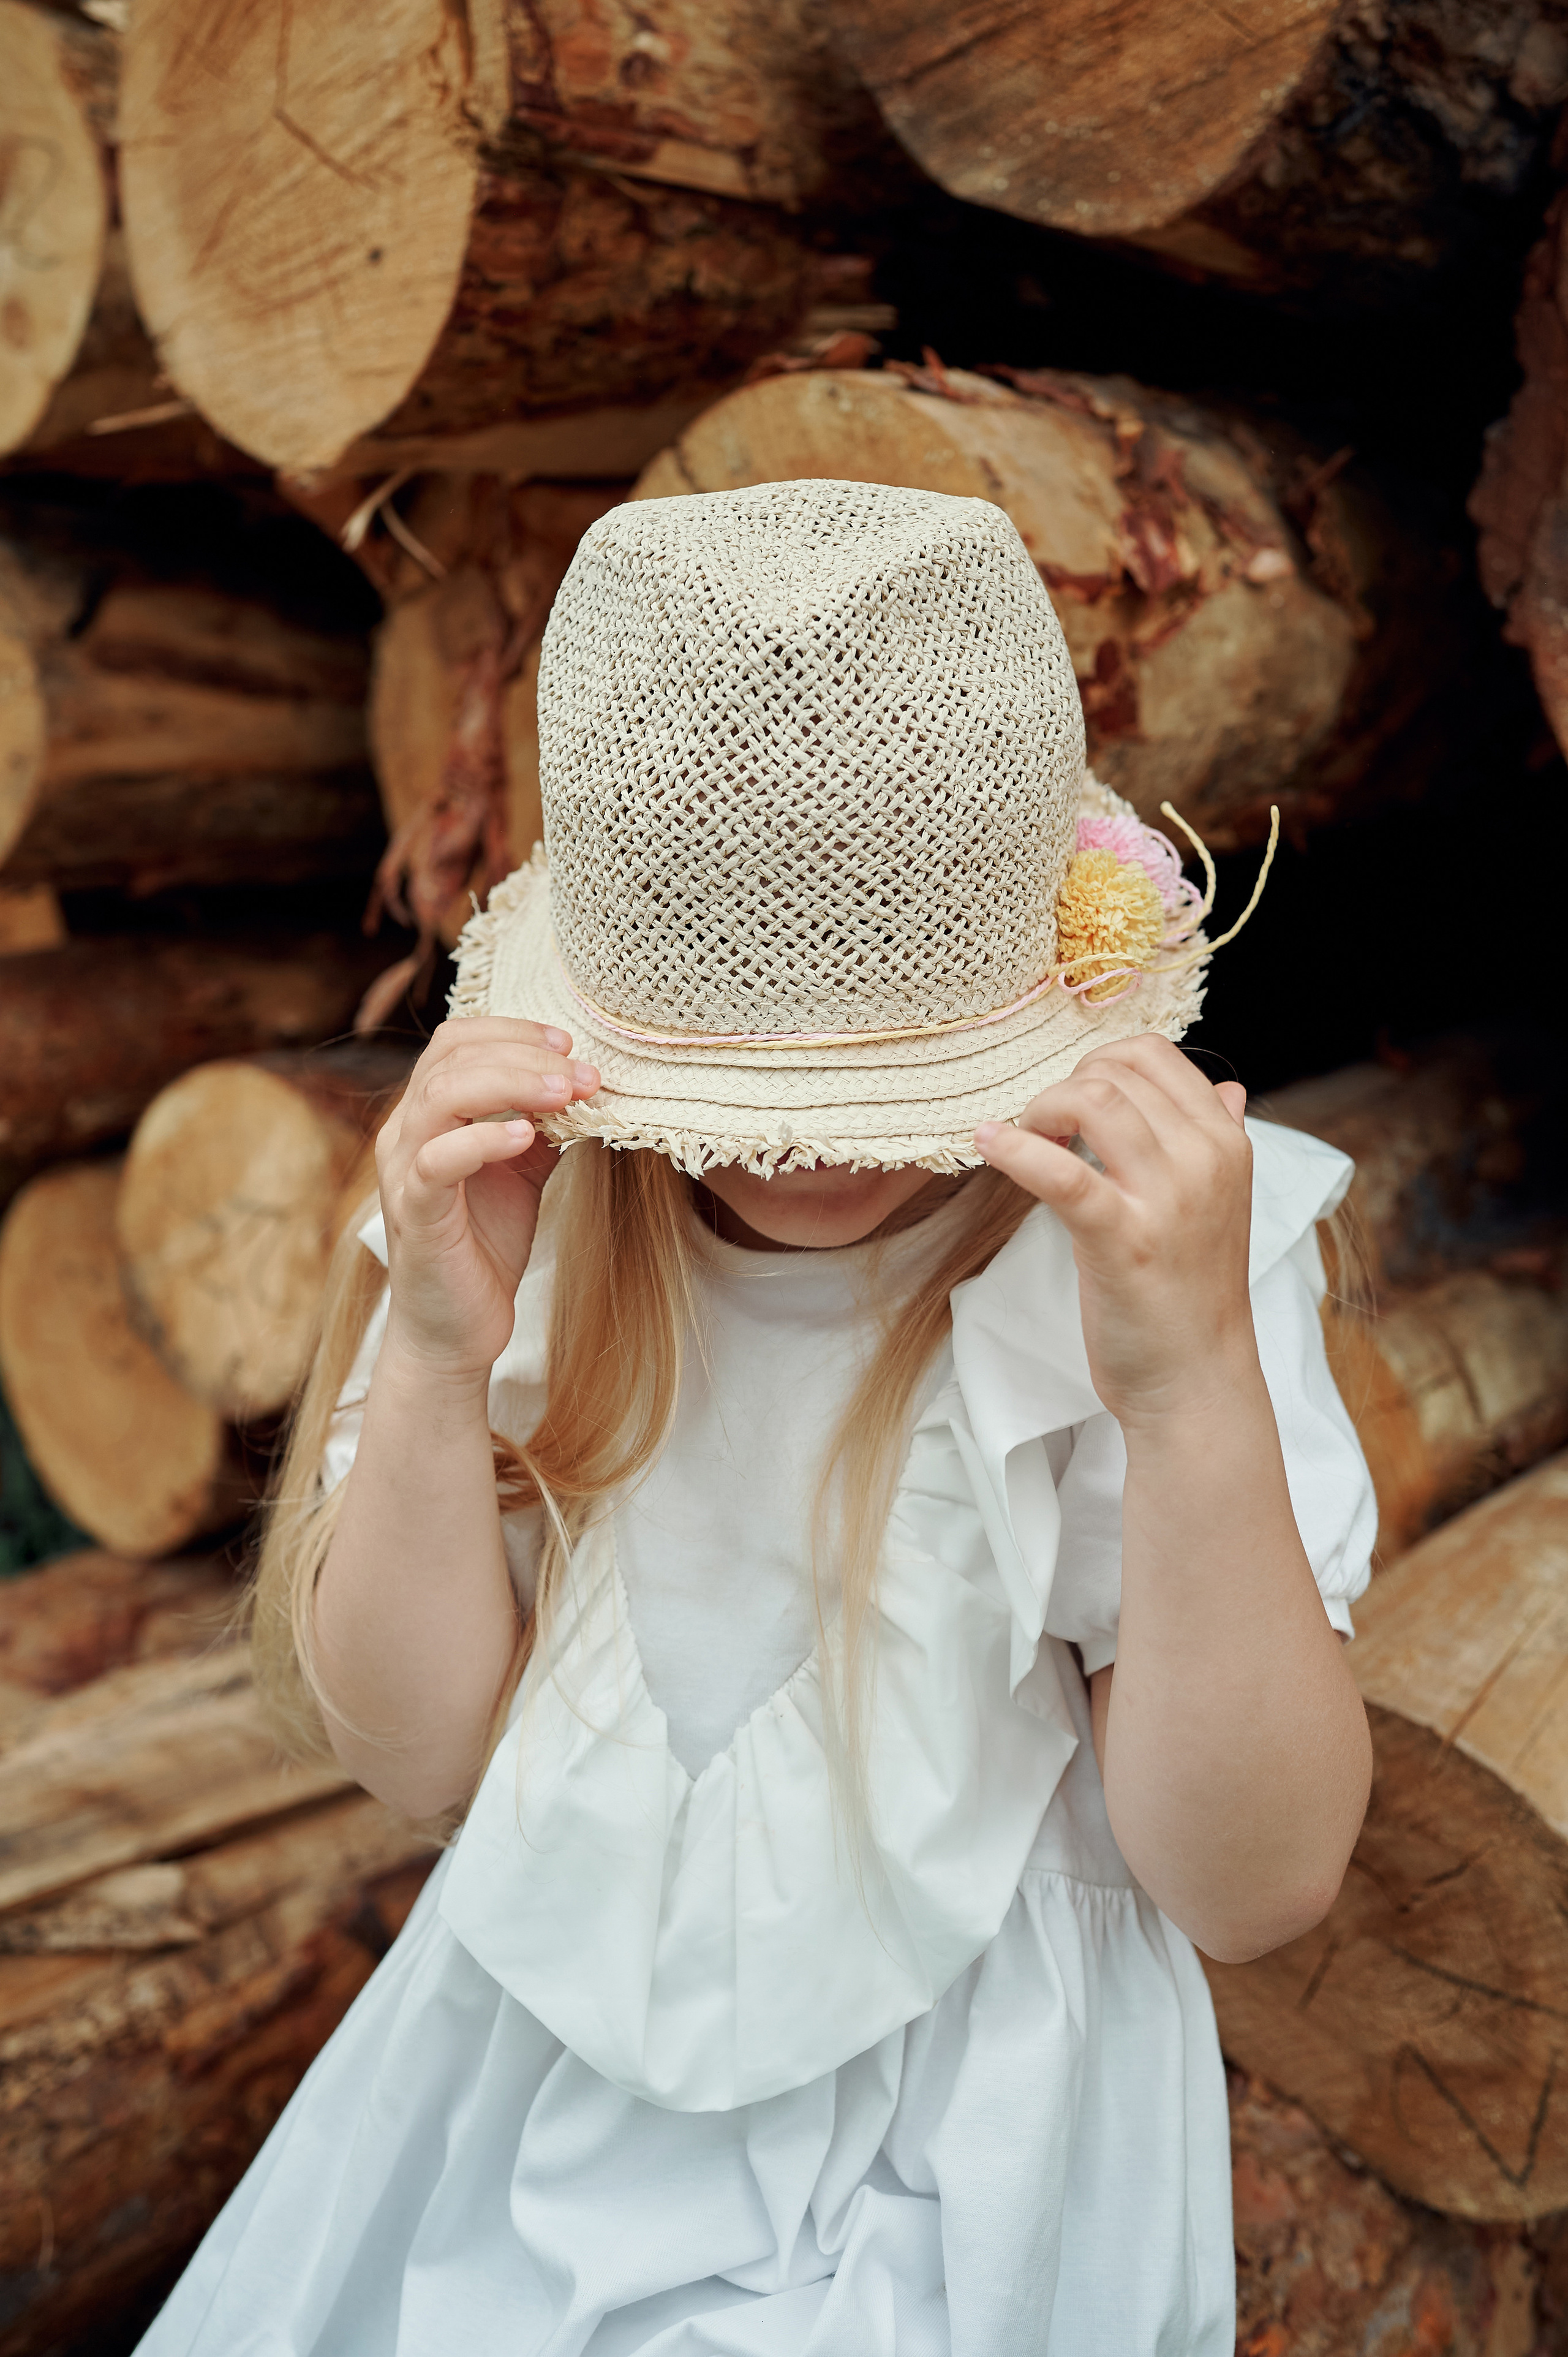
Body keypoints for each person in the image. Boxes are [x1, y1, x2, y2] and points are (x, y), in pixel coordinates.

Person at [138, 481, 1375, 2357]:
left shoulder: (1149, 1253)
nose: (808, 1154)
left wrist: (1191, 1388)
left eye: (873, 1078)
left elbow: (1257, 1880)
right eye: (744, 1078)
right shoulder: (525, 1207)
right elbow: (410, 1752)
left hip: (980, 2156)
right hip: (532, 2112)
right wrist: (435, 1356)